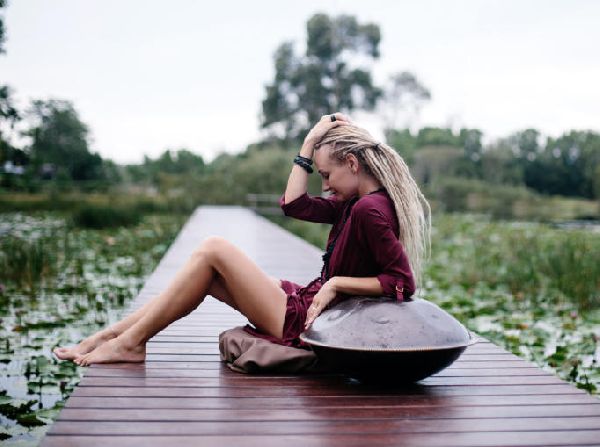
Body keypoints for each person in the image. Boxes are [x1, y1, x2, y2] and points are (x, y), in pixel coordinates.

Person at [53, 112, 431, 366]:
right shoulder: (352, 203)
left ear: (352, 163)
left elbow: (402, 283)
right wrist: (310, 141)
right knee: (208, 273)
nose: (325, 185)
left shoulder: (369, 210)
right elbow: (294, 204)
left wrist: (335, 284)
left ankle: (129, 343)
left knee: (213, 249)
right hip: (307, 301)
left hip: (309, 321)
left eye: (326, 175)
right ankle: (114, 336)